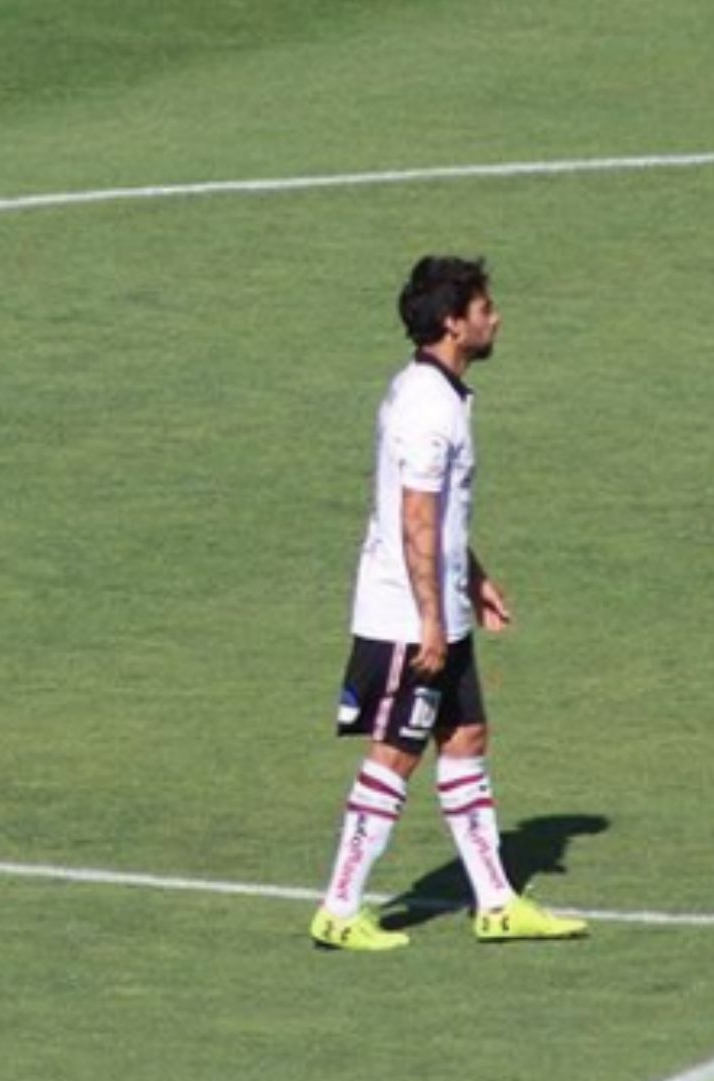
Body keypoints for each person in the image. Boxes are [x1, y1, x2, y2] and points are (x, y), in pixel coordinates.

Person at [308, 255, 588, 951]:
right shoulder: (426, 408)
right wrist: (432, 619)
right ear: (450, 323)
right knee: (396, 751)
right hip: (408, 618)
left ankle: (495, 900)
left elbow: (441, 519)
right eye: (483, 308)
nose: (494, 317)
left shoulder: (438, 392)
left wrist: (472, 577)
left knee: (464, 739)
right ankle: (338, 907)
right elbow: (413, 518)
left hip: (435, 607)